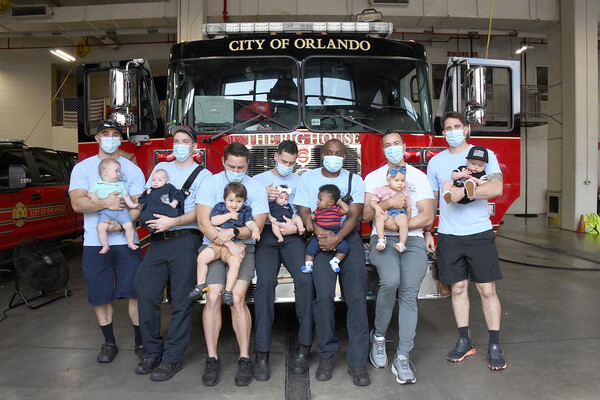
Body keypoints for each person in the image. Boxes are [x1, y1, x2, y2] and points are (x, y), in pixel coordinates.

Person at [426, 111, 507, 371]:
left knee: (487, 290)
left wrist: (461, 192)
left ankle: (494, 344)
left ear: (466, 128)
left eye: (456, 126)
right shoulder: (436, 163)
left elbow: (496, 188)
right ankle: (464, 341)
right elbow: (433, 200)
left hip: (479, 233)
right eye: (447, 128)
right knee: (458, 289)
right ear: (443, 132)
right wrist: (429, 231)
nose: (452, 131)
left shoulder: (484, 154)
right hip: (449, 235)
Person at [134, 125, 212, 381]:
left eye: (185, 141)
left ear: (193, 147)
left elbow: (201, 213)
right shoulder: (158, 172)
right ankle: (152, 352)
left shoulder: (203, 174)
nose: (180, 144)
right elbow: (144, 201)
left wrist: (173, 222)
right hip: (156, 242)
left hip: (185, 241)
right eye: (176, 140)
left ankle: (172, 358)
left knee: (181, 301)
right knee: (145, 293)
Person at [294, 139, 370, 387]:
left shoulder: (355, 180)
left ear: (345, 156)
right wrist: (320, 236)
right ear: (321, 155)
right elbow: (305, 211)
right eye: (328, 153)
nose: (333, 157)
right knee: (323, 297)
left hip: (348, 243)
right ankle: (326, 356)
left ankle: (357, 362)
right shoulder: (307, 178)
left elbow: (355, 214)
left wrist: (336, 238)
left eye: (338, 153)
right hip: (320, 244)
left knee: (357, 297)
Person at [69, 119, 146, 364]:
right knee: (100, 295)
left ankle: (140, 341)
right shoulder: (83, 168)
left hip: (125, 241)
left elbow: (138, 204)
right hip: (94, 243)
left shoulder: (131, 170)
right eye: (105, 133)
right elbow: (77, 203)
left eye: (115, 133)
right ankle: (109, 342)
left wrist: (123, 222)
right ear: (97, 139)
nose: (110, 137)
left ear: (120, 139)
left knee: (135, 291)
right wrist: (106, 204)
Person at [363, 132, 435, 384]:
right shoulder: (374, 177)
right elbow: (363, 214)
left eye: (397, 144)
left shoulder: (419, 177)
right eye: (388, 145)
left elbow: (428, 215)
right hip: (381, 239)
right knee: (391, 281)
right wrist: (389, 204)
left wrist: (400, 226)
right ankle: (379, 337)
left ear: (404, 147)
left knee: (408, 291)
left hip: (412, 239)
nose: (393, 149)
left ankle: (403, 356)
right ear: (382, 150)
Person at [196, 142, 268, 387]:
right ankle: (212, 358)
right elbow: (203, 222)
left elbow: (256, 225)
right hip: (214, 247)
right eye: (231, 166)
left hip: (243, 248)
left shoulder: (256, 187)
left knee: (237, 297)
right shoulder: (210, 184)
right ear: (224, 163)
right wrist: (226, 242)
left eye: (240, 166)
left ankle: (245, 357)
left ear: (247, 164)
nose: (236, 170)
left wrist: (233, 234)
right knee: (214, 296)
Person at [252, 140, 314, 382]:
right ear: (275, 157)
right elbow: (248, 208)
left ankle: (304, 348)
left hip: (292, 235)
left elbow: (305, 210)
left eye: (291, 162)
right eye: (283, 161)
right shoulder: (258, 180)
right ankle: (262, 354)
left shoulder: (301, 181)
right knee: (265, 284)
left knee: (305, 280)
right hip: (267, 235)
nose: (287, 166)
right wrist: (261, 196)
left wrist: (296, 226)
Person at [188, 182, 260, 305]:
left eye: (239, 201)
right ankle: (200, 285)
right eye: (231, 200)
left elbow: (249, 223)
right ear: (225, 199)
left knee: (236, 263)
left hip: (235, 245)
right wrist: (229, 216)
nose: (234, 205)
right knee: (202, 258)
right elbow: (214, 221)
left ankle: (228, 291)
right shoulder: (220, 207)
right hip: (216, 244)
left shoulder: (245, 211)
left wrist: (255, 229)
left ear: (244, 201)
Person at [86, 157, 140, 254]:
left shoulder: (120, 184)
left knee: (129, 225)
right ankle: (105, 245)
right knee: (100, 227)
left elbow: (126, 196)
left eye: (119, 171)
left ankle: (130, 242)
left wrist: (132, 205)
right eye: (116, 171)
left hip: (121, 211)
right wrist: (93, 196)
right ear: (106, 172)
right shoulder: (97, 184)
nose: (119, 174)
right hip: (105, 212)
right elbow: (89, 193)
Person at [301, 185, 350, 274]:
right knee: (310, 249)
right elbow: (309, 216)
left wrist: (339, 201)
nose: (318, 201)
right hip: (319, 235)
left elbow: (347, 209)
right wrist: (308, 224)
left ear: (331, 202)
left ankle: (335, 261)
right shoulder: (318, 211)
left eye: (320, 199)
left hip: (335, 233)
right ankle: (308, 265)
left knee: (344, 247)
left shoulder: (337, 210)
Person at [369, 165, 412, 253]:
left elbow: (408, 206)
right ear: (388, 180)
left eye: (403, 180)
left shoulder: (404, 191)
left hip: (398, 212)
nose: (400, 183)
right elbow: (372, 202)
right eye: (396, 180)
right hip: (385, 212)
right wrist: (377, 207)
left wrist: (408, 219)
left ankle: (402, 243)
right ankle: (381, 239)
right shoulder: (381, 190)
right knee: (379, 217)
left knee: (403, 220)